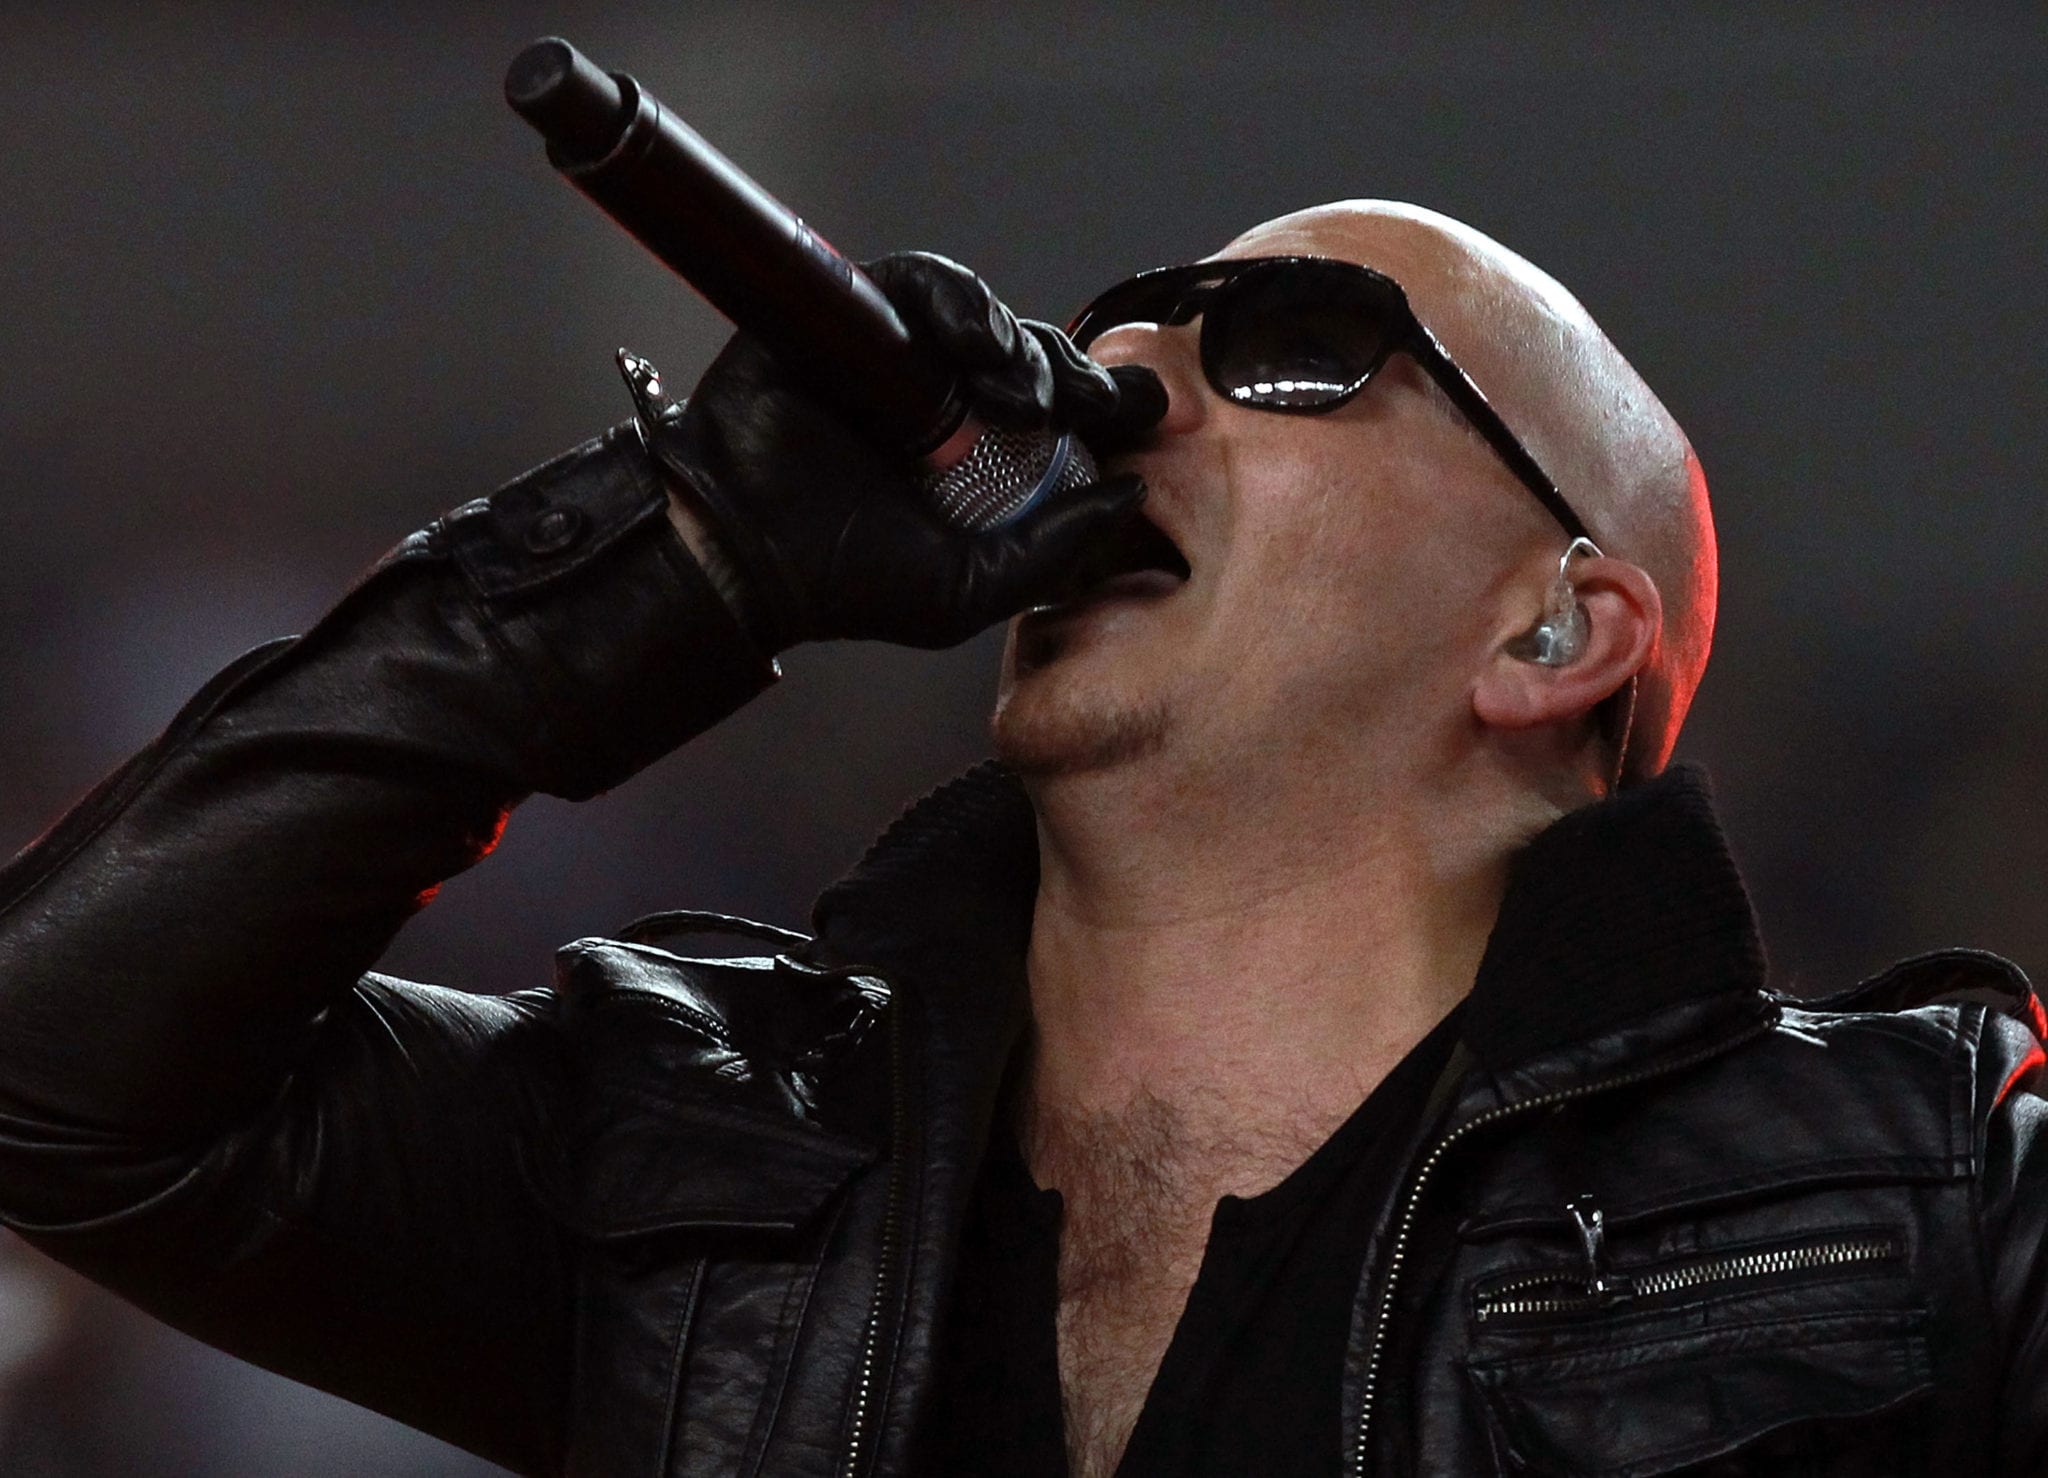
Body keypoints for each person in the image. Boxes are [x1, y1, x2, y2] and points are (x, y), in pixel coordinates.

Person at [0, 198, 2042, 1477]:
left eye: (1290, 349)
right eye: (1118, 343)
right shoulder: (703, 1157)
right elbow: (61, 1076)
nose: (1125, 387)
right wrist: (675, 568)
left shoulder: (1933, 1201)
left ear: (1552, 629)